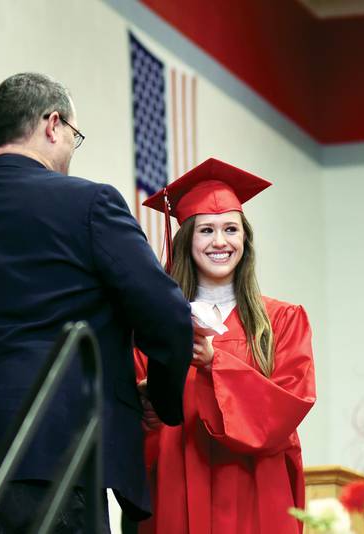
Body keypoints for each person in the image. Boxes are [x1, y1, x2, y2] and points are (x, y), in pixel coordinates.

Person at [0, 73, 193, 533]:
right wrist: (161, 400)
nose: (70, 147)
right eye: (73, 136)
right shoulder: (88, 203)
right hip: (55, 460)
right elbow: (166, 316)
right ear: (53, 123)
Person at [133, 158, 317, 534]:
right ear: (186, 240)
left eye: (231, 229)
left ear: (245, 240)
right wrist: (142, 403)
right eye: (206, 230)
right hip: (179, 485)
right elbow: (139, 424)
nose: (220, 241)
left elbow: (287, 409)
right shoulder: (156, 329)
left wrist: (216, 364)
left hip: (258, 491)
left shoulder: (282, 321)